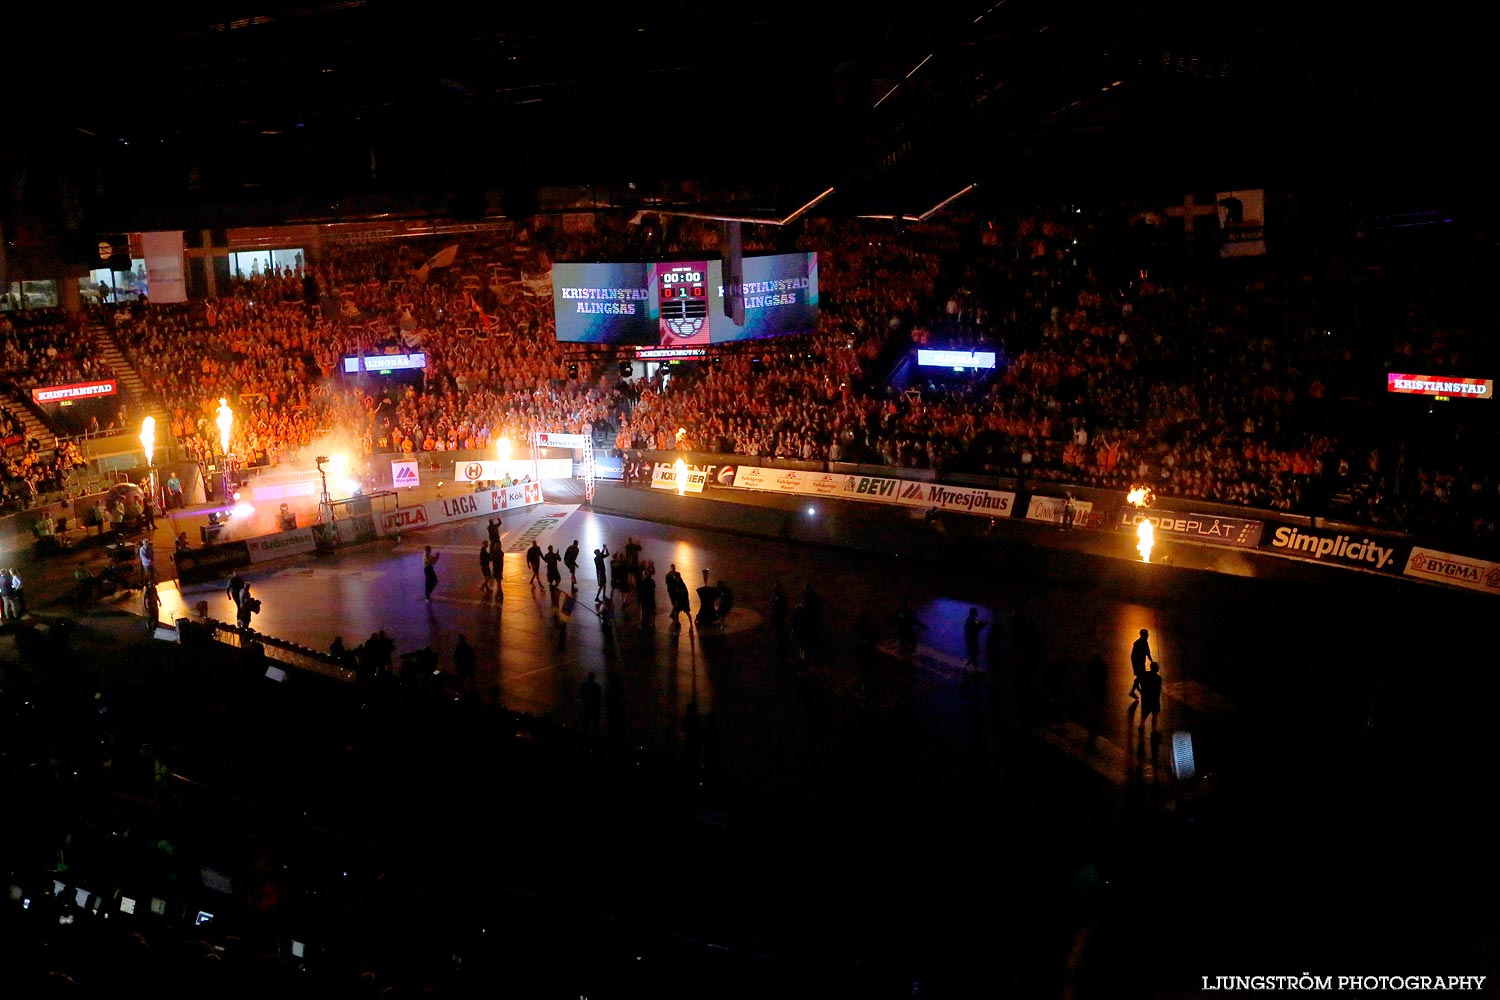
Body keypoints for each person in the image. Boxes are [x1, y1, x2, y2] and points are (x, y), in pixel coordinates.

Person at [1129, 628, 1154, 701]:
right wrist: (1151, 661)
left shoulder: (1137, 642)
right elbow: (1148, 653)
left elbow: (1133, 655)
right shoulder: (1144, 642)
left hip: (1138, 663)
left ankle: (1137, 691)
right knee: (1141, 677)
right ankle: (1139, 691)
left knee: (1140, 677)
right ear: (1144, 635)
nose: (1148, 635)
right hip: (1139, 663)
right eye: (1147, 634)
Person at [1138, 660, 1163, 732]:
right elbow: (1158, 689)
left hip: (1146, 697)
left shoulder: (1145, 675)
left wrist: (1141, 691)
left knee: (1145, 713)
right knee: (1154, 714)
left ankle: (1141, 725)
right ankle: (1153, 729)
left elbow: (1140, 683)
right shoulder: (1158, 678)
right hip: (1154, 698)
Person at [963, 607, 989, 672]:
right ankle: (970, 667)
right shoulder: (972, 620)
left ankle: (971, 667)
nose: (977, 613)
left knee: (974, 654)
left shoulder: (970, 619)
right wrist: (984, 624)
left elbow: (977, 624)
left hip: (969, 639)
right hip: (972, 639)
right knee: (975, 653)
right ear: (974, 612)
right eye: (976, 612)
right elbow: (977, 626)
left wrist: (983, 623)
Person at [580, 671, 602, 740]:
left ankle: (586, 738)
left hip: (586, 706)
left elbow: (581, 695)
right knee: (595, 725)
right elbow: (599, 697)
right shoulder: (598, 687)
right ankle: (595, 739)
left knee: (586, 724)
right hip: (594, 707)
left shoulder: (584, 685)